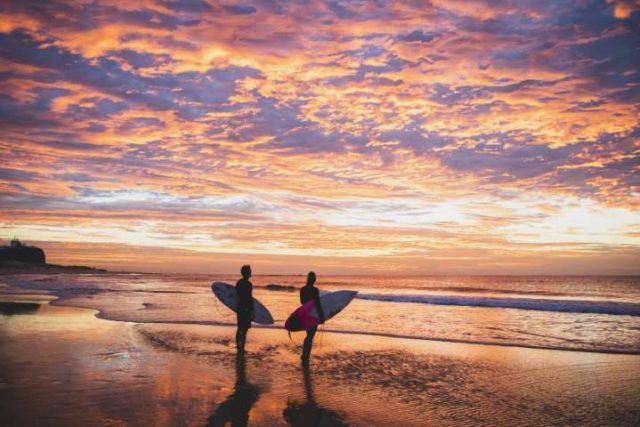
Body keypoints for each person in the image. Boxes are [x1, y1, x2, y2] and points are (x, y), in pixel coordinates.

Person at [300, 271, 325, 363]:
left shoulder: (302, 289)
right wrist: (322, 316)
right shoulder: (315, 290)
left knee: (308, 335)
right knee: (310, 336)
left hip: (305, 314)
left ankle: (304, 354)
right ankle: (307, 355)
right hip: (314, 315)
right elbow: (317, 304)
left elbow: (302, 302)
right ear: (314, 280)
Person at [235, 265, 254, 354]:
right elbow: (249, 298)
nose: (251, 272)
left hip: (240, 307)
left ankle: (238, 346)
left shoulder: (238, 283)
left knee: (240, 328)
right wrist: (252, 310)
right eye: (250, 271)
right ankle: (241, 348)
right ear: (247, 273)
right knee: (245, 329)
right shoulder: (248, 284)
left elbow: (236, 296)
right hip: (246, 308)